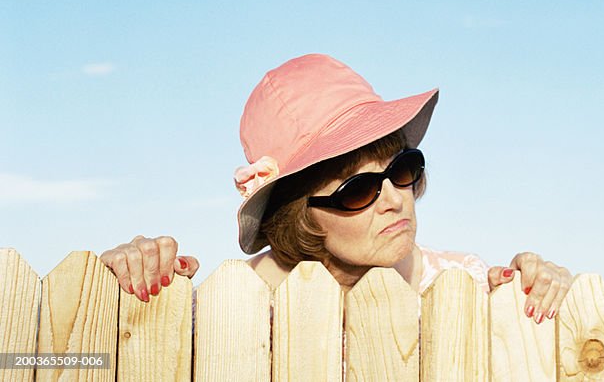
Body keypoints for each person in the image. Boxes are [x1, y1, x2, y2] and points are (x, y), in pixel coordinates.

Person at [101, 54, 572, 322]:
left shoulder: (470, 286)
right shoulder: (227, 311)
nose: (394, 200)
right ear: (299, 214)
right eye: (356, 190)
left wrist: (556, 299)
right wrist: (113, 289)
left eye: (402, 167)